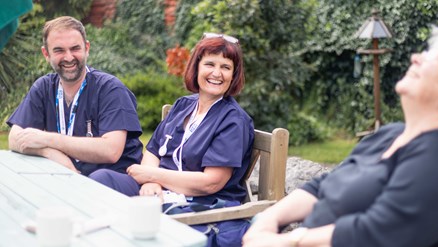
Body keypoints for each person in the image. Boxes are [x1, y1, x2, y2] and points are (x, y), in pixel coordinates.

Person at [243, 17, 438, 247]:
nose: (416, 58)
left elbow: (374, 233)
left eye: (435, 58)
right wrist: (269, 218)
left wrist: (288, 241)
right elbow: (322, 186)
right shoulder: (390, 133)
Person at [89, 32, 253, 218]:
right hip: (160, 191)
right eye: (210, 64)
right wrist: (151, 184)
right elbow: (153, 150)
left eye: (226, 67)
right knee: (101, 179)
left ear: (234, 75)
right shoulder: (183, 105)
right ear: (196, 67)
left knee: (136, 217)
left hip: (200, 204)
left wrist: (152, 176)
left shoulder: (233, 120)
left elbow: (211, 183)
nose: (217, 73)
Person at [6, 16, 143, 176]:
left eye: (75, 48)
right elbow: (14, 138)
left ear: (87, 48)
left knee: (99, 178)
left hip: (114, 182)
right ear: (46, 54)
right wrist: (50, 153)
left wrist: (47, 139)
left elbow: (111, 151)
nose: (69, 57)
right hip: (68, 179)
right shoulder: (43, 87)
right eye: (59, 50)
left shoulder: (110, 89)